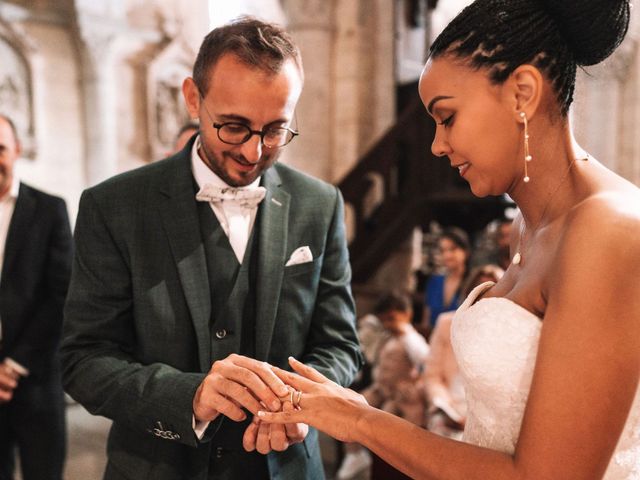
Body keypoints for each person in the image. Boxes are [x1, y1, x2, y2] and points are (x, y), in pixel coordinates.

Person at [257, 1, 640, 479]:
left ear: (522, 92)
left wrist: (360, 420)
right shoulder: (525, 229)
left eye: (447, 117)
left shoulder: (607, 230)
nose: (437, 144)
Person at [61, 17, 361, 480]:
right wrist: (189, 397)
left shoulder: (319, 205)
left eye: (276, 129)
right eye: (234, 127)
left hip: (287, 469)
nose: (253, 153)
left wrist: (304, 404)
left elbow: (340, 345)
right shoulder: (113, 206)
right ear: (193, 98)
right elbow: (84, 360)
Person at [0, 114, 73, 479]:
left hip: (36, 376)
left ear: (16, 150)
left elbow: (61, 295)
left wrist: (12, 366)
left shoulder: (48, 209)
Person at [337, 292, 428, 480]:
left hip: (398, 393)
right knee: (350, 407)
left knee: (384, 419)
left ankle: (381, 462)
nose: (388, 324)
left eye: (392, 319)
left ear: (406, 314)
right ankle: (355, 454)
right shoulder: (388, 337)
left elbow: (426, 360)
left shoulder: (410, 338)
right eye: (384, 320)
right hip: (381, 387)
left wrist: (417, 381)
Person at [423, 264, 504, 438]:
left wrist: (473, 418)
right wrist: (445, 406)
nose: (485, 298)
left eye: (492, 291)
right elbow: (432, 375)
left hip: (485, 415)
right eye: (480, 290)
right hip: (449, 405)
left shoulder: (505, 333)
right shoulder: (447, 323)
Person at [422, 226, 470, 332]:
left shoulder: (473, 282)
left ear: (465, 251)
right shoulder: (435, 282)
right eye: (443, 251)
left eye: (452, 249)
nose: (447, 255)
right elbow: (426, 321)